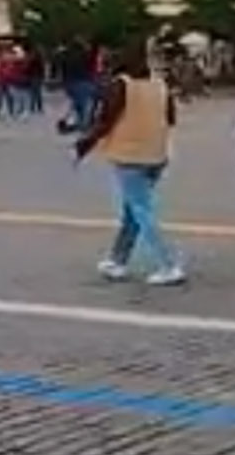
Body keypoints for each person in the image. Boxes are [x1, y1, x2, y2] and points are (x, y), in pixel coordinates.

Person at [74, 44, 185, 286]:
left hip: (129, 154)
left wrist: (86, 143)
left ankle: (169, 264)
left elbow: (106, 121)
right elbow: (171, 117)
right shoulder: (159, 84)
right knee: (132, 211)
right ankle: (117, 260)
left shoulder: (121, 85)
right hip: (157, 153)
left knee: (141, 211)